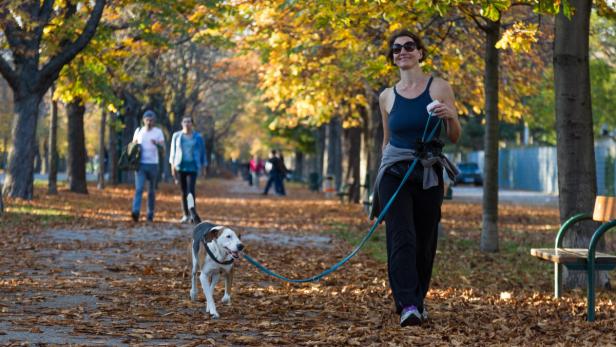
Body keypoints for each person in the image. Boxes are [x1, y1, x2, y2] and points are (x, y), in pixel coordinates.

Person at [370, 30, 461, 327]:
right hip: (394, 173)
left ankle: (418, 300)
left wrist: (449, 115)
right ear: (392, 58)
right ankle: (407, 304)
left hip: (428, 173)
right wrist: (378, 180)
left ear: (420, 53)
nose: (403, 51)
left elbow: (454, 135)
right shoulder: (386, 96)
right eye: (396, 49)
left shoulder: (439, 87)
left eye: (409, 46)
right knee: (401, 238)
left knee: (424, 240)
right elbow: (387, 140)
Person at [169, 116, 207, 224]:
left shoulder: (198, 137)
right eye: (185, 121)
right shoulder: (176, 136)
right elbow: (173, 153)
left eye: (189, 122)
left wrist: (204, 167)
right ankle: (185, 214)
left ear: (192, 124)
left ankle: (192, 214)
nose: (187, 123)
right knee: (183, 192)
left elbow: (203, 153)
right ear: (182, 123)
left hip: (193, 167)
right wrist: (173, 168)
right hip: (180, 166)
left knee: (191, 191)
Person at [131, 110, 165, 223]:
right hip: (140, 165)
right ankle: (135, 212)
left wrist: (157, 144)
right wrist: (135, 146)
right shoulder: (139, 131)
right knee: (139, 189)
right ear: (143, 120)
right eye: (147, 120)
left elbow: (163, 149)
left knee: (151, 191)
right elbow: (132, 146)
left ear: (154, 121)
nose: (149, 122)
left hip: (153, 164)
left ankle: (150, 214)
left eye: (151, 120)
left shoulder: (158, 132)